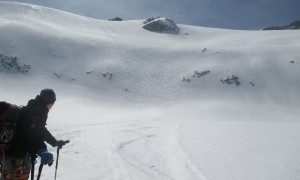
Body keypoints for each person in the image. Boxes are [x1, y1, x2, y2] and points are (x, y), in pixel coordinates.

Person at [3, 89, 67, 180]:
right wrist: (42, 150)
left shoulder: (32, 108)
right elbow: (32, 135)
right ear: (50, 102)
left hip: (9, 153)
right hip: (19, 157)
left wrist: (54, 142)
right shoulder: (38, 112)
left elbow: (40, 129)